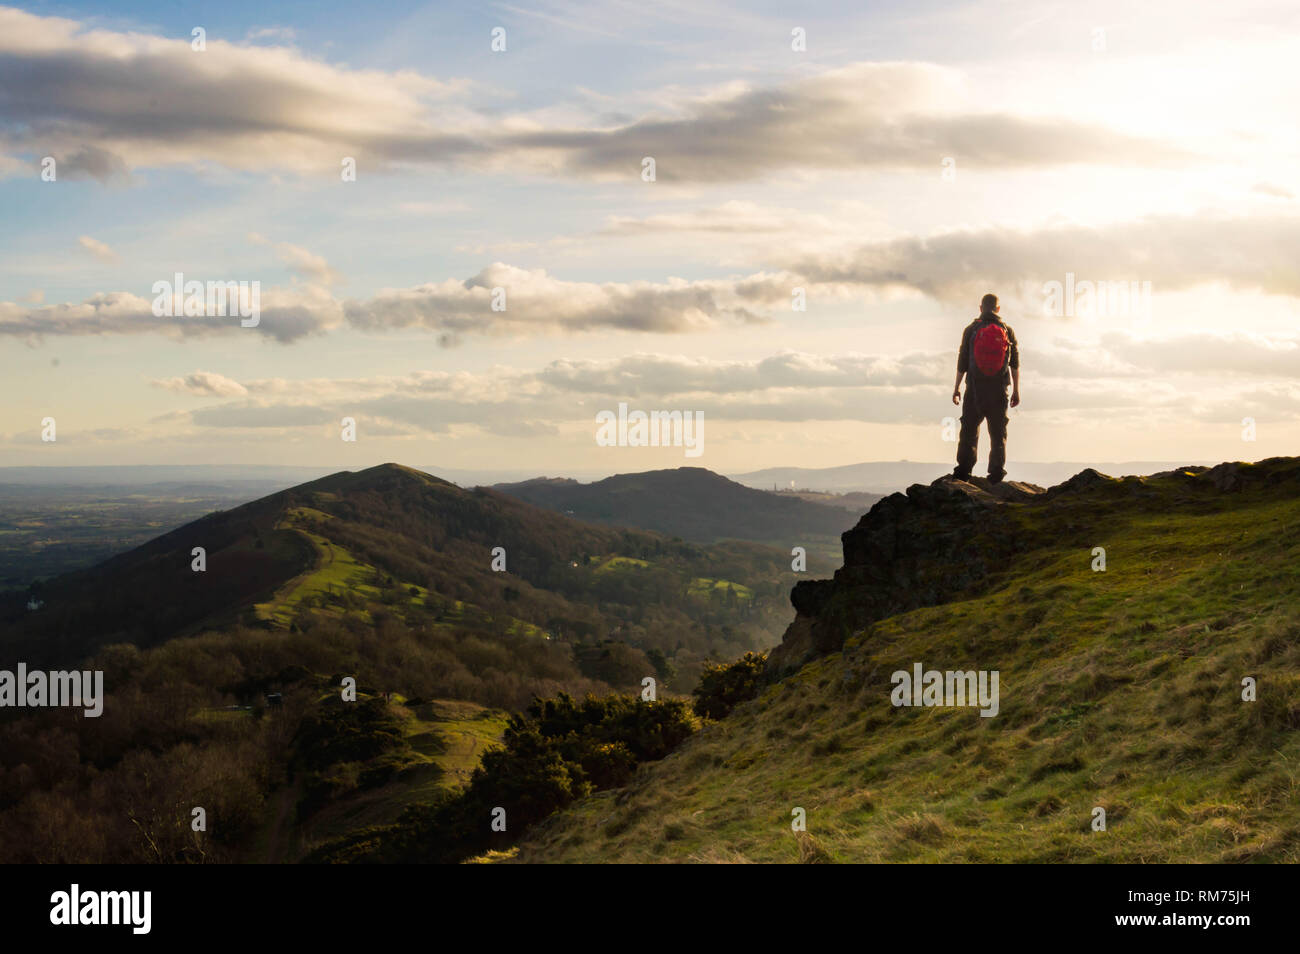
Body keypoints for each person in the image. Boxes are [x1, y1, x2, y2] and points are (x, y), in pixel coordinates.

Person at [951, 293, 1020, 483]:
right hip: (999, 390)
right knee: (998, 433)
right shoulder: (1008, 330)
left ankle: (963, 471)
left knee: (969, 430)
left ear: (980, 308)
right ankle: (996, 474)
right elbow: (1015, 364)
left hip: (974, 389)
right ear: (998, 309)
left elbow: (962, 361)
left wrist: (956, 388)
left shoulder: (971, 329)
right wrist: (1016, 390)